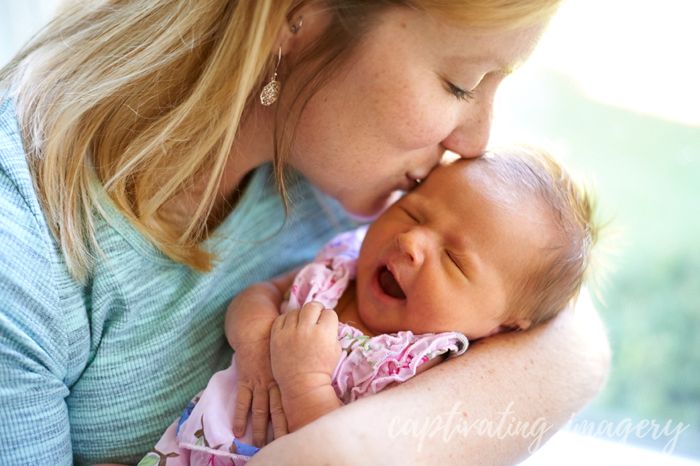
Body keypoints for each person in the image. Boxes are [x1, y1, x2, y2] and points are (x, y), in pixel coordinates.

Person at [0, 1, 609, 465]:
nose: (474, 143)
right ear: (302, 20)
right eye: (460, 84)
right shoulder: (21, 258)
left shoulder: (347, 174)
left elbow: (564, 326)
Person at [140, 146, 601, 466]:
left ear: (502, 327)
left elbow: (343, 449)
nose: (412, 241)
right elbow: (260, 295)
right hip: (191, 446)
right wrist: (258, 347)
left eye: (455, 260)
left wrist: (304, 381)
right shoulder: (340, 266)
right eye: (413, 212)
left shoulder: (421, 365)